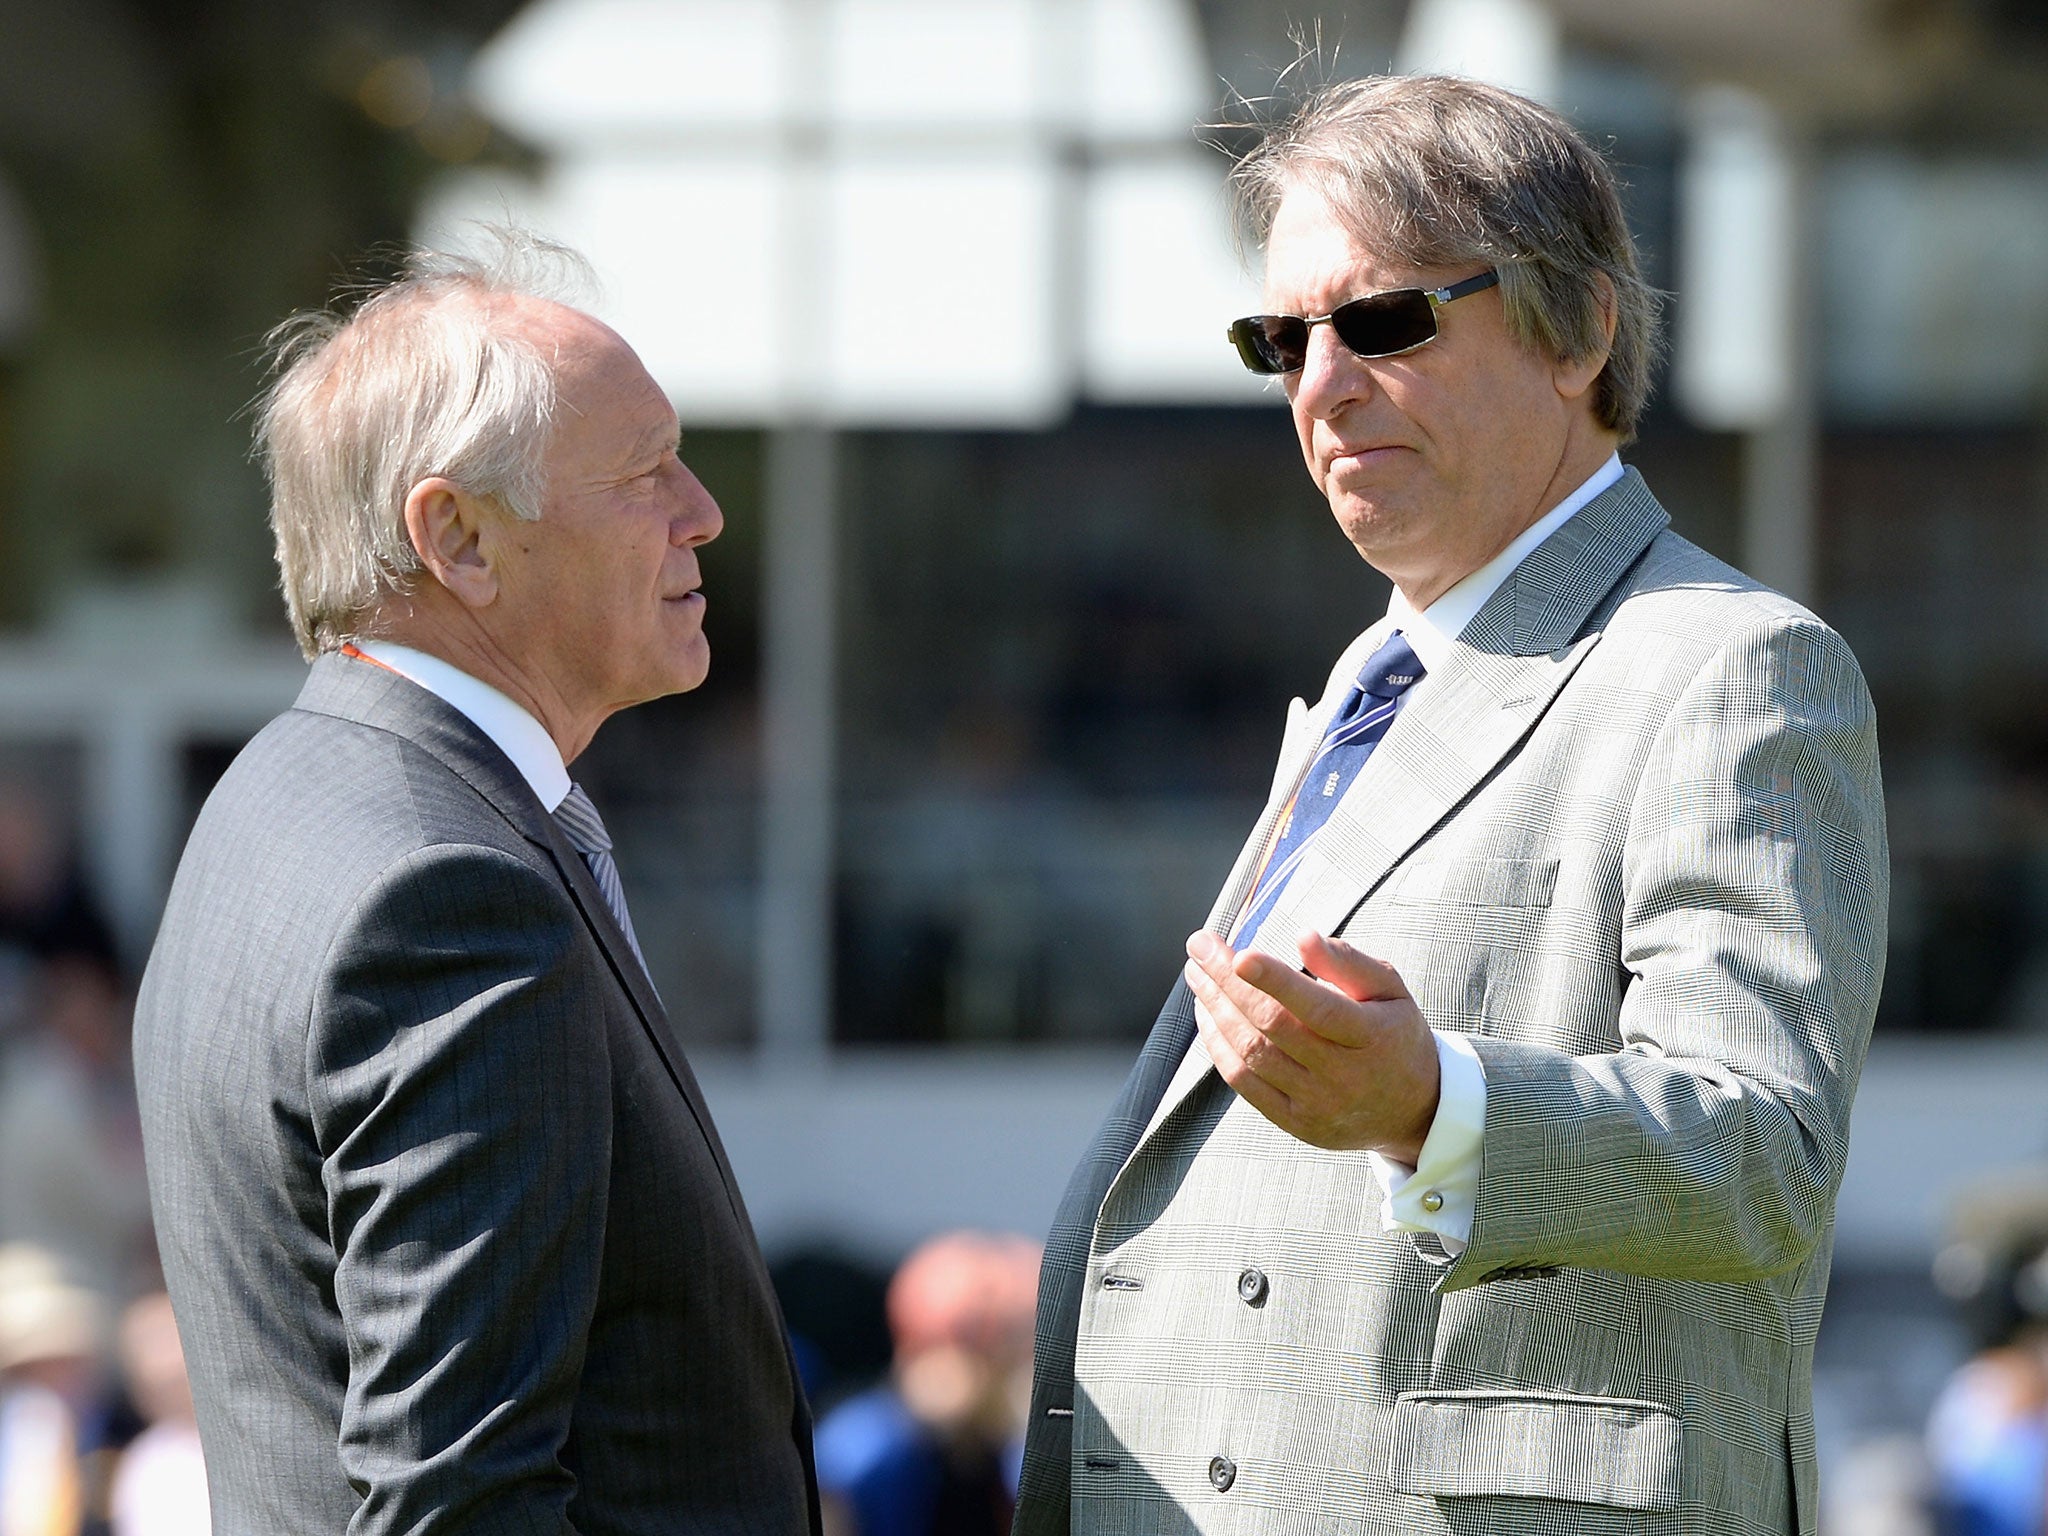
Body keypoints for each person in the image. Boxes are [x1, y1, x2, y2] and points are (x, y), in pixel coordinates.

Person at [1012, 74, 1888, 1536]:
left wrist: (1436, 1105)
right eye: (1281, 339)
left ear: (1580, 329)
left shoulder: (1736, 666)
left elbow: (1766, 1161)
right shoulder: (1384, 668)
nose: (1321, 382)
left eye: (1384, 320)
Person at [132, 234, 820, 1535]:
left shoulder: (280, 795)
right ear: (457, 538)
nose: (704, 512)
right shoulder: (445, 892)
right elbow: (463, 1501)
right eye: (642, 470)